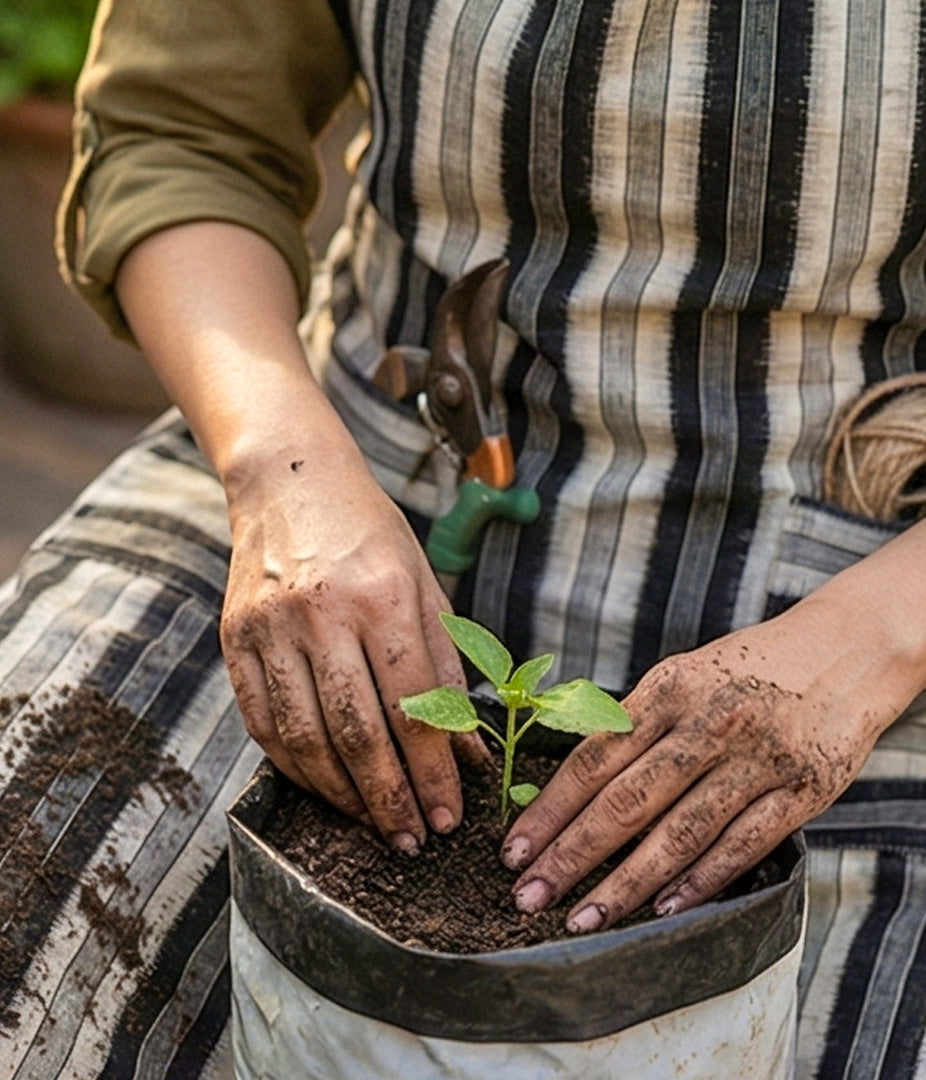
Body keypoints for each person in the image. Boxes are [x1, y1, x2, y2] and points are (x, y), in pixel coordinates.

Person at [1, 0, 925, 1075]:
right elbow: (177, 128)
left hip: (867, 579)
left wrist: (878, 634)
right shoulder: (304, 475)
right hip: (347, 477)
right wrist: (279, 471)